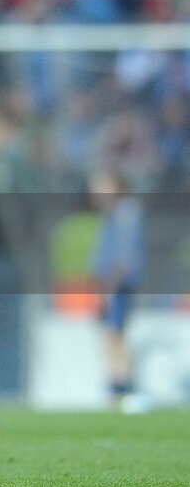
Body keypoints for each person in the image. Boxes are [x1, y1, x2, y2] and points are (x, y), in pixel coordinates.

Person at [88, 168, 146, 412]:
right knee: (112, 335)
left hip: (117, 285)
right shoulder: (112, 214)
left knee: (115, 334)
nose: (97, 191)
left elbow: (124, 255)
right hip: (111, 284)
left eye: (102, 184)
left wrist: (110, 287)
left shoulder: (126, 212)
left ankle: (124, 389)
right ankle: (118, 387)